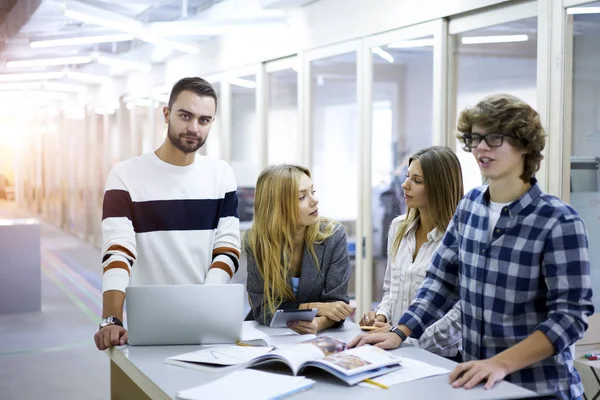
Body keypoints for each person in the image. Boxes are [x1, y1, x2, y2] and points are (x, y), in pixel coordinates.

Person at [349, 94, 594, 400]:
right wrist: (400, 332)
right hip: (476, 383)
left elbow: (570, 317)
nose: (480, 147)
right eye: (474, 138)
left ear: (524, 145)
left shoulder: (558, 221)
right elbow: (441, 282)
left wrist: (499, 364)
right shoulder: (470, 208)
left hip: (538, 388)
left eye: (493, 137)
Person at [94, 77, 241, 350]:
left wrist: (203, 306)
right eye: (185, 116)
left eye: (204, 120)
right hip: (149, 323)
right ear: (166, 114)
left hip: (207, 323)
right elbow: (117, 253)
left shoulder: (221, 175)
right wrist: (111, 318)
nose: (193, 128)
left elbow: (228, 249)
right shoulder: (125, 176)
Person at [359, 146, 464, 361]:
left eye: (417, 180)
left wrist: (408, 339)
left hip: (439, 357)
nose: (405, 185)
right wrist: (381, 316)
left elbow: (460, 315)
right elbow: (391, 290)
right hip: (395, 348)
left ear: (439, 187)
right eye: (408, 177)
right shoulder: (399, 228)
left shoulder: (459, 239)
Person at [246, 164, 354, 334]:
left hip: (318, 337)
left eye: (313, 192)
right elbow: (262, 309)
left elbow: (337, 305)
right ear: (278, 207)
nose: (314, 200)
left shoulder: (333, 236)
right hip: (268, 335)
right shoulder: (258, 241)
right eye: (302, 197)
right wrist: (315, 307)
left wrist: (318, 323)